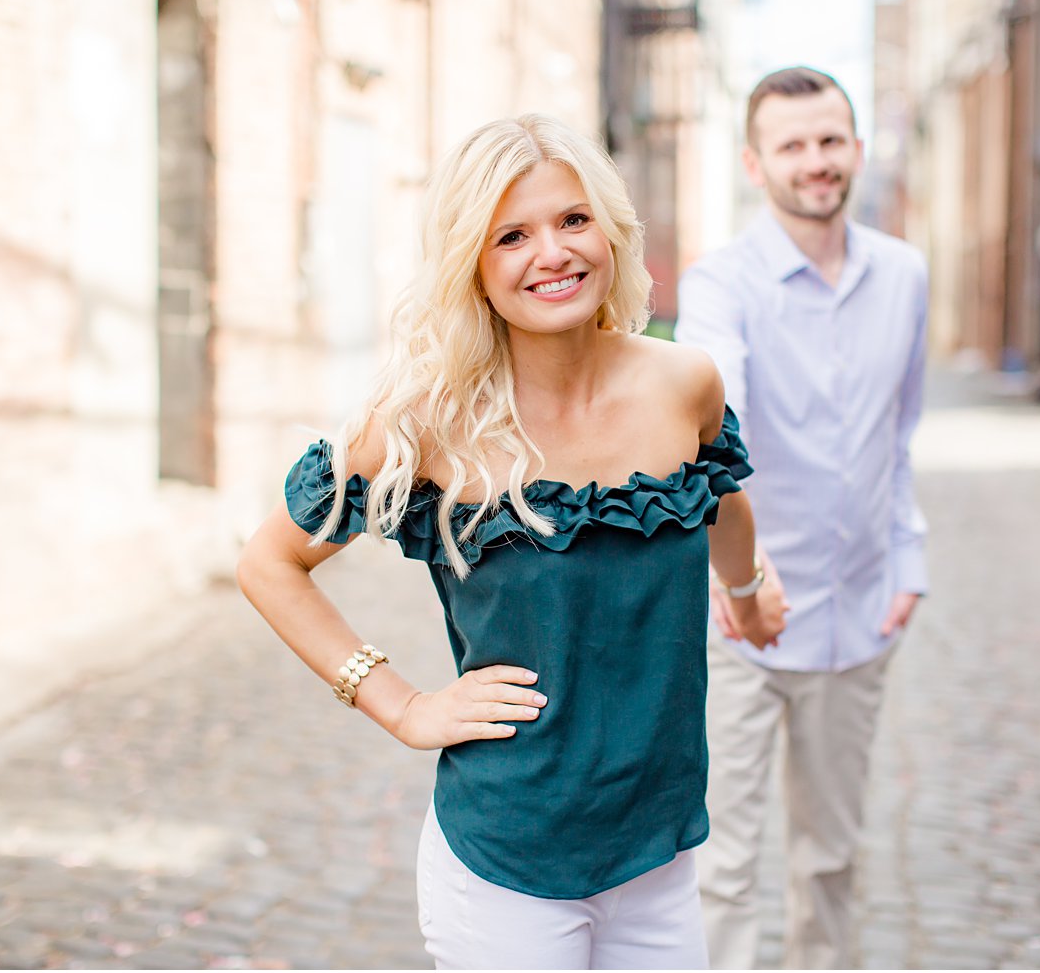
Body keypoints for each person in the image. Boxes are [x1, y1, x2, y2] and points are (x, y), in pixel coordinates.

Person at [237, 113, 783, 971]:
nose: (553, 253)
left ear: (611, 230)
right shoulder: (425, 423)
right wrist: (401, 704)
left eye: (573, 220)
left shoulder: (685, 382)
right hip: (506, 861)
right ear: (474, 267)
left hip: (660, 846)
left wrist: (749, 591)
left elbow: (723, 499)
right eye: (512, 236)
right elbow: (270, 563)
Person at [674, 66, 930, 970]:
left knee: (830, 859)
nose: (815, 162)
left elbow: (900, 435)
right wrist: (739, 576)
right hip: (739, 614)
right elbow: (711, 427)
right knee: (726, 865)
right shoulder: (719, 285)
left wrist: (909, 557)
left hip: (859, 615)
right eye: (792, 145)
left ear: (856, 149)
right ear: (755, 161)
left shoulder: (904, 275)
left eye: (830, 141)